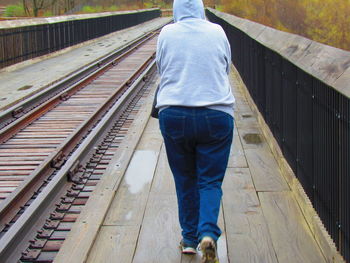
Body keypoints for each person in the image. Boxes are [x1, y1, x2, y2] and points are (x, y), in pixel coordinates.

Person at [155, 0, 235, 262]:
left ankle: (189, 240)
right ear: (201, 9)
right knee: (210, 181)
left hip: (174, 113)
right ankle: (208, 233)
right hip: (216, 114)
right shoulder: (217, 31)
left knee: (185, 179)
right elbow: (225, 68)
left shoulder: (167, 33)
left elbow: (161, 68)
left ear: (177, 10)